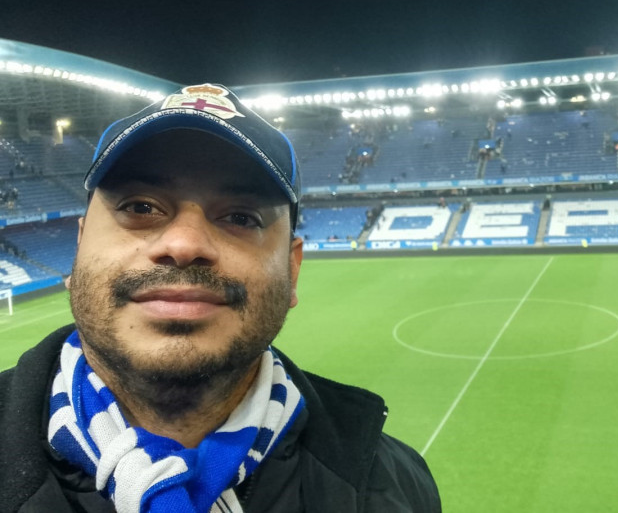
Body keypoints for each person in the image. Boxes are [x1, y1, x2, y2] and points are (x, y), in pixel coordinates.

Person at [0, 83, 440, 512]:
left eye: (240, 217)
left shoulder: (398, 487)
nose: (185, 244)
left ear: (292, 269)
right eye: (140, 207)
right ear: (79, 248)